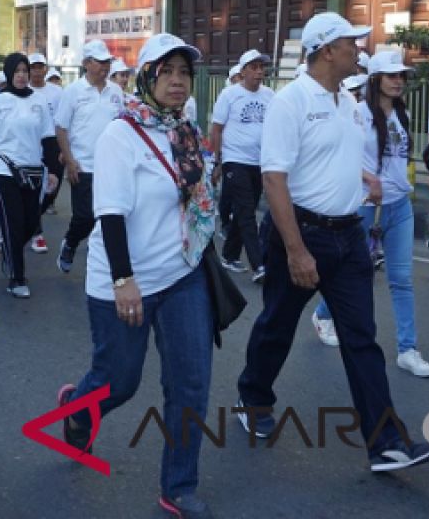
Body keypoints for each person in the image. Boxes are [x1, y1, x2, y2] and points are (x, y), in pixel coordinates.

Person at [236, 12, 429, 472]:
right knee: (277, 325)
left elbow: (339, 152)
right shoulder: (290, 103)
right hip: (302, 235)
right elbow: (274, 179)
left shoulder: (348, 101)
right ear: (327, 50)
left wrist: (363, 175)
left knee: (361, 339)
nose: (359, 50)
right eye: (352, 43)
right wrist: (295, 250)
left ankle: (386, 440)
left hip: (349, 238)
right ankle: (253, 397)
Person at [58, 33, 217, 519]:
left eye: (184, 73)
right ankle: (77, 407)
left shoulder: (185, 129)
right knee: (119, 382)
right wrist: (125, 280)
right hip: (122, 279)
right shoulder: (119, 135)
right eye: (166, 72)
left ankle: (179, 486)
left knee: (190, 383)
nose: (176, 81)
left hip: (182, 275)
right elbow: (111, 216)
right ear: (147, 77)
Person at [327, 50, 429, 376]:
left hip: (399, 206)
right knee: (350, 273)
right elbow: (341, 154)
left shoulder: (402, 114)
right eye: (391, 76)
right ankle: (323, 312)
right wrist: (369, 178)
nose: (398, 81)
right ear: (375, 79)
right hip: (364, 207)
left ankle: (407, 349)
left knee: (401, 280)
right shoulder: (357, 112)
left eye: (401, 76)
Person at [0, 53, 61, 297]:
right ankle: (17, 278)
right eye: (18, 71)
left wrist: (54, 170)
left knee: (32, 222)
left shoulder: (40, 101)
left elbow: (49, 138)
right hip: (4, 171)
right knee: (13, 224)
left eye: (25, 71)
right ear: (9, 73)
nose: (22, 75)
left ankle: (9, 249)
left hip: (34, 171)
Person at [54, 40, 125, 274]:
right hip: (83, 164)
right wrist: (70, 160)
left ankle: (101, 264)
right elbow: (61, 129)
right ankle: (71, 242)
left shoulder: (116, 92)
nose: (105, 67)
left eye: (107, 62)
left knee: (107, 216)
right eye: (100, 62)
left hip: (111, 166)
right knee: (85, 216)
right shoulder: (73, 91)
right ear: (86, 63)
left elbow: (123, 126)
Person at [210, 49, 273, 280]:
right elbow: (216, 129)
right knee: (247, 212)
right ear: (243, 70)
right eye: (254, 68)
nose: (259, 72)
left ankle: (229, 254)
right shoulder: (229, 95)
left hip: (259, 162)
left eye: (261, 67)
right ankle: (259, 265)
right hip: (235, 160)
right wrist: (217, 162)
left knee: (244, 209)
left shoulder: (269, 96)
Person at [29, 52, 65, 247]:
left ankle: (27, 222)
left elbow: (65, 120)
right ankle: (36, 233)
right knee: (33, 189)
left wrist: (64, 148)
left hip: (53, 142)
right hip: (30, 143)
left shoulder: (57, 92)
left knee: (52, 187)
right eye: (33, 67)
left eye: (40, 67)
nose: (36, 71)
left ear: (45, 69)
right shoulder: (22, 90)